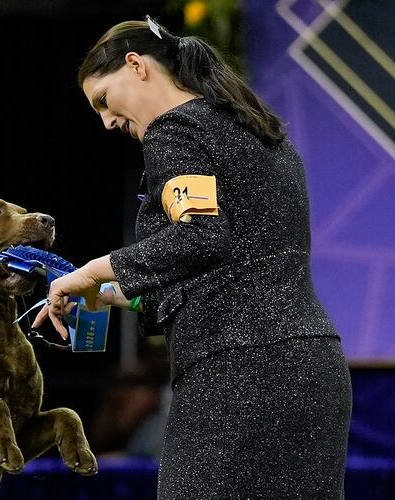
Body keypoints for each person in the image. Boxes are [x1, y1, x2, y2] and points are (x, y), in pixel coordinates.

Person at [33, 16, 352, 499]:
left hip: (239, 376)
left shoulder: (175, 129)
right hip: (312, 368)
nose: (106, 122)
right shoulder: (257, 130)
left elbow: (202, 238)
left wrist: (93, 269)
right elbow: (219, 265)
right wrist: (110, 293)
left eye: (103, 101)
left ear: (136, 66)